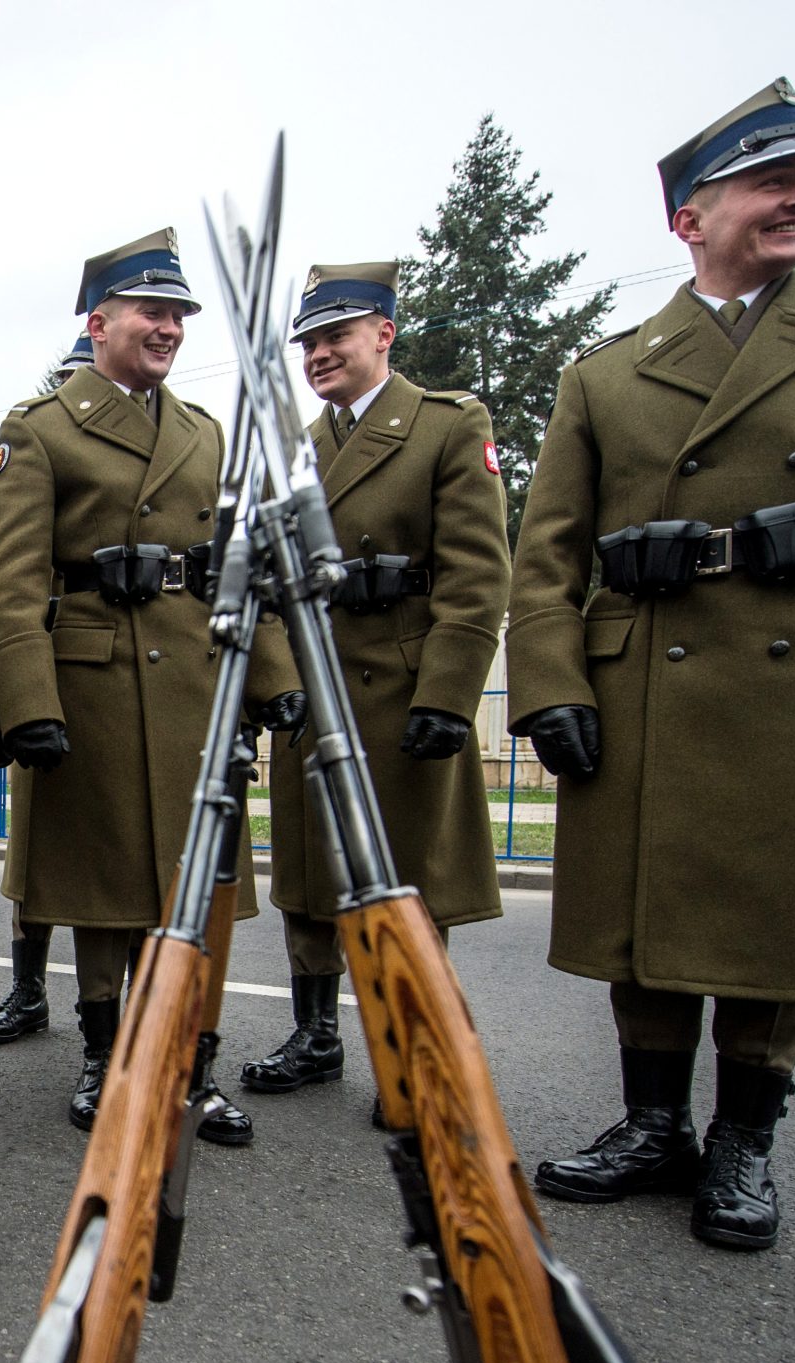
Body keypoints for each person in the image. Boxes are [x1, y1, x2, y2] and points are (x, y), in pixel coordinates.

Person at [507, 80, 795, 1250]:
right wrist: (550, 684)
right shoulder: (604, 373)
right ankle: (651, 1126)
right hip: (643, 676)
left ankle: (742, 1143)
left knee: (778, 916)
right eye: (773, 181)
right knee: (642, 915)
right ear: (690, 217)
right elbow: (545, 556)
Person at [0, 230, 281, 1143]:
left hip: (191, 683)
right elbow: (11, 582)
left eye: (179, 315)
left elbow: (239, 568)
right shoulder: (40, 428)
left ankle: (192, 1070)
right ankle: (107, 1061)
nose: (170, 328)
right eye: (152, 311)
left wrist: (274, 679)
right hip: (96, 686)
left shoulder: (203, 431)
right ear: (98, 322)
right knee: (107, 897)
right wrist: (28, 702)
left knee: (196, 888)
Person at [243, 264, 510, 1112]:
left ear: (384, 335)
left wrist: (449, 694)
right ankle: (316, 1037)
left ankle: (417, 1056)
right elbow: (266, 585)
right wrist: (279, 683)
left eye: (337, 336)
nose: (319, 354)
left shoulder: (446, 425)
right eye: (309, 343)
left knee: (405, 881)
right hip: (317, 693)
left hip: (403, 689)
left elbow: (477, 573)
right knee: (310, 878)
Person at [0, 333, 96, 1050]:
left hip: (104, 669)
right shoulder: (36, 444)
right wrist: (6, 706)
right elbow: (6, 578)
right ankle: (28, 989)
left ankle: (113, 1007)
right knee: (33, 851)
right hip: (39, 673)